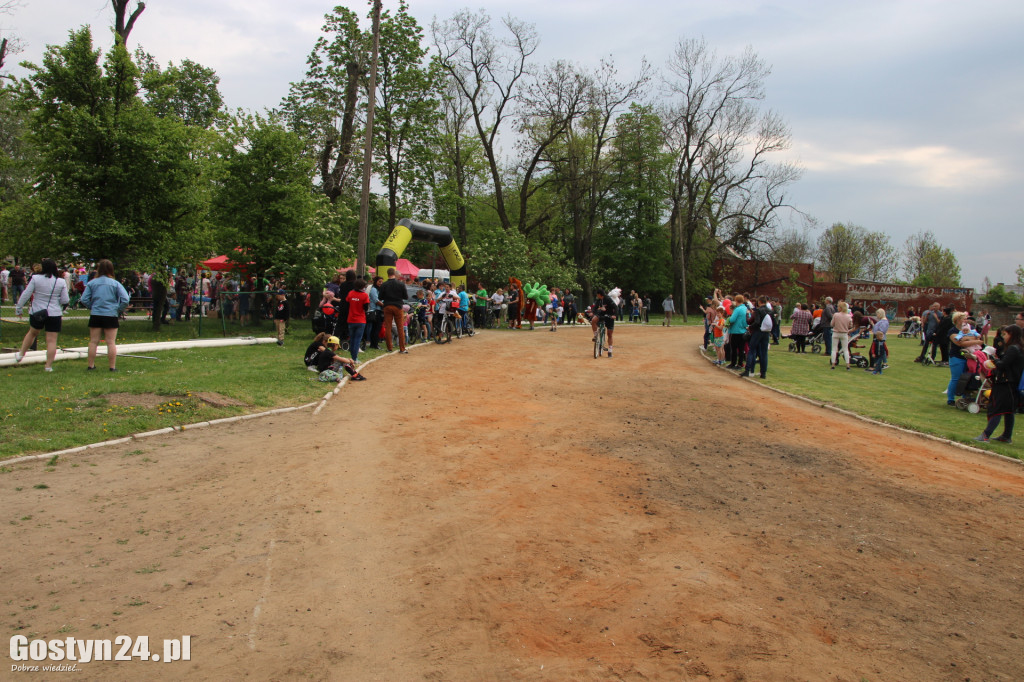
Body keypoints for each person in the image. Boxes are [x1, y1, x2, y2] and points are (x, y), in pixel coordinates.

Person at [14, 258, 70, 372]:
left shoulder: (35, 278)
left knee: (32, 333)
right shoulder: (60, 281)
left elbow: (26, 294)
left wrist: (19, 308)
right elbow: (65, 300)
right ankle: (48, 366)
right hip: (54, 313)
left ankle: (21, 354)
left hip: (37, 311)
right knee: (52, 340)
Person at [975, 325, 1023, 443]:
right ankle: (1006, 436)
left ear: (1012, 334)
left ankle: (986, 435)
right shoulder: (1020, 348)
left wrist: (993, 360)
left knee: (998, 408)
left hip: (1005, 382)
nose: (1004, 337)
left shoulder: (1013, 348)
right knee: (1008, 410)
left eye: (1005, 334)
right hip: (1012, 382)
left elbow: (1003, 364)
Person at [80, 259, 130, 372]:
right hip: (111, 314)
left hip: (96, 313)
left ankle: (91, 365)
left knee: (93, 341)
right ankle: (112, 367)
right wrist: (119, 309)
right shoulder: (115, 283)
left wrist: (91, 306)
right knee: (111, 342)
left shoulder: (92, 283)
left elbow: (84, 299)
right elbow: (126, 299)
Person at [946, 312, 983, 406]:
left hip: (969, 357)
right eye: (964, 319)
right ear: (958, 320)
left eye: (966, 319)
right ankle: (951, 399)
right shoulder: (952, 331)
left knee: (968, 378)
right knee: (956, 378)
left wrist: (966, 338)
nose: (966, 321)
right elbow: (959, 343)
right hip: (957, 357)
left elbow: (979, 339)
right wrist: (972, 339)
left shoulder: (970, 328)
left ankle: (965, 397)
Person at [742, 295, 772, 379]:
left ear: (759, 302)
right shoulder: (770, 311)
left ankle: (747, 370)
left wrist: (750, 327)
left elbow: (757, 322)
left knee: (752, 350)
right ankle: (763, 373)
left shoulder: (759, 310)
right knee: (764, 353)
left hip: (758, 331)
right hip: (766, 332)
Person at [379, 268, 409, 353]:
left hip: (387, 306)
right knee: (400, 327)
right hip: (398, 306)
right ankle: (402, 348)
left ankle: (389, 347)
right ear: (394, 274)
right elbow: (405, 296)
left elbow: (380, 297)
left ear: (387, 274)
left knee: (388, 327)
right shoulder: (400, 284)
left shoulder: (384, 285)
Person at [346, 278, 369, 362]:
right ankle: (355, 358)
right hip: (360, 320)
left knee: (352, 339)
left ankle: (352, 356)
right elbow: (366, 307)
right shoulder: (364, 295)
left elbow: (347, 302)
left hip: (351, 319)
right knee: (357, 339)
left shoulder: (351, 293)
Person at [590, 289, 617, 356]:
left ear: (599, 294)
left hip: (609, 315)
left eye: (597, 294)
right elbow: (595, 307)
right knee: (593, 320)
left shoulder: (608, 299)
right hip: (601, 314)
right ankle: (596, 335)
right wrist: (592, 312)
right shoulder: (599, 300)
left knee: (609, 334)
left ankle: (610, 351)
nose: (596, 295)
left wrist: (615, 315)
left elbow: (615, 307)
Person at [726, 295, 749, 369]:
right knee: (741, 348)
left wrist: (728, 320)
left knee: (734, 348)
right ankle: (740, 363)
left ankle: (733, 363)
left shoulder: (737, 309)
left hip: (735, 331)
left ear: (736, 301)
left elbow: (732, 319)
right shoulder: (745, 308)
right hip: (743, 330)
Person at [830, 301, 853, 370]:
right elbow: (850, 325)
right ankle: (847, 365)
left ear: (840, 308)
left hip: (836, 333)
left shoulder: (836, 315)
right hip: (844, 333)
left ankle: (833, 364)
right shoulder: (849, 316)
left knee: (834, 349)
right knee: (845, 349)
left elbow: (832, 324)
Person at [869, 308, 889, 375]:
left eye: (877, 314)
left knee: (874, 351)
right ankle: (877, 366)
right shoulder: (882, 321)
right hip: (877, 337)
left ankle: (874, 366)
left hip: (879, 338)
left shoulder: (884, 322)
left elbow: (881, 331)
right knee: (876, 352)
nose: (876, 315)